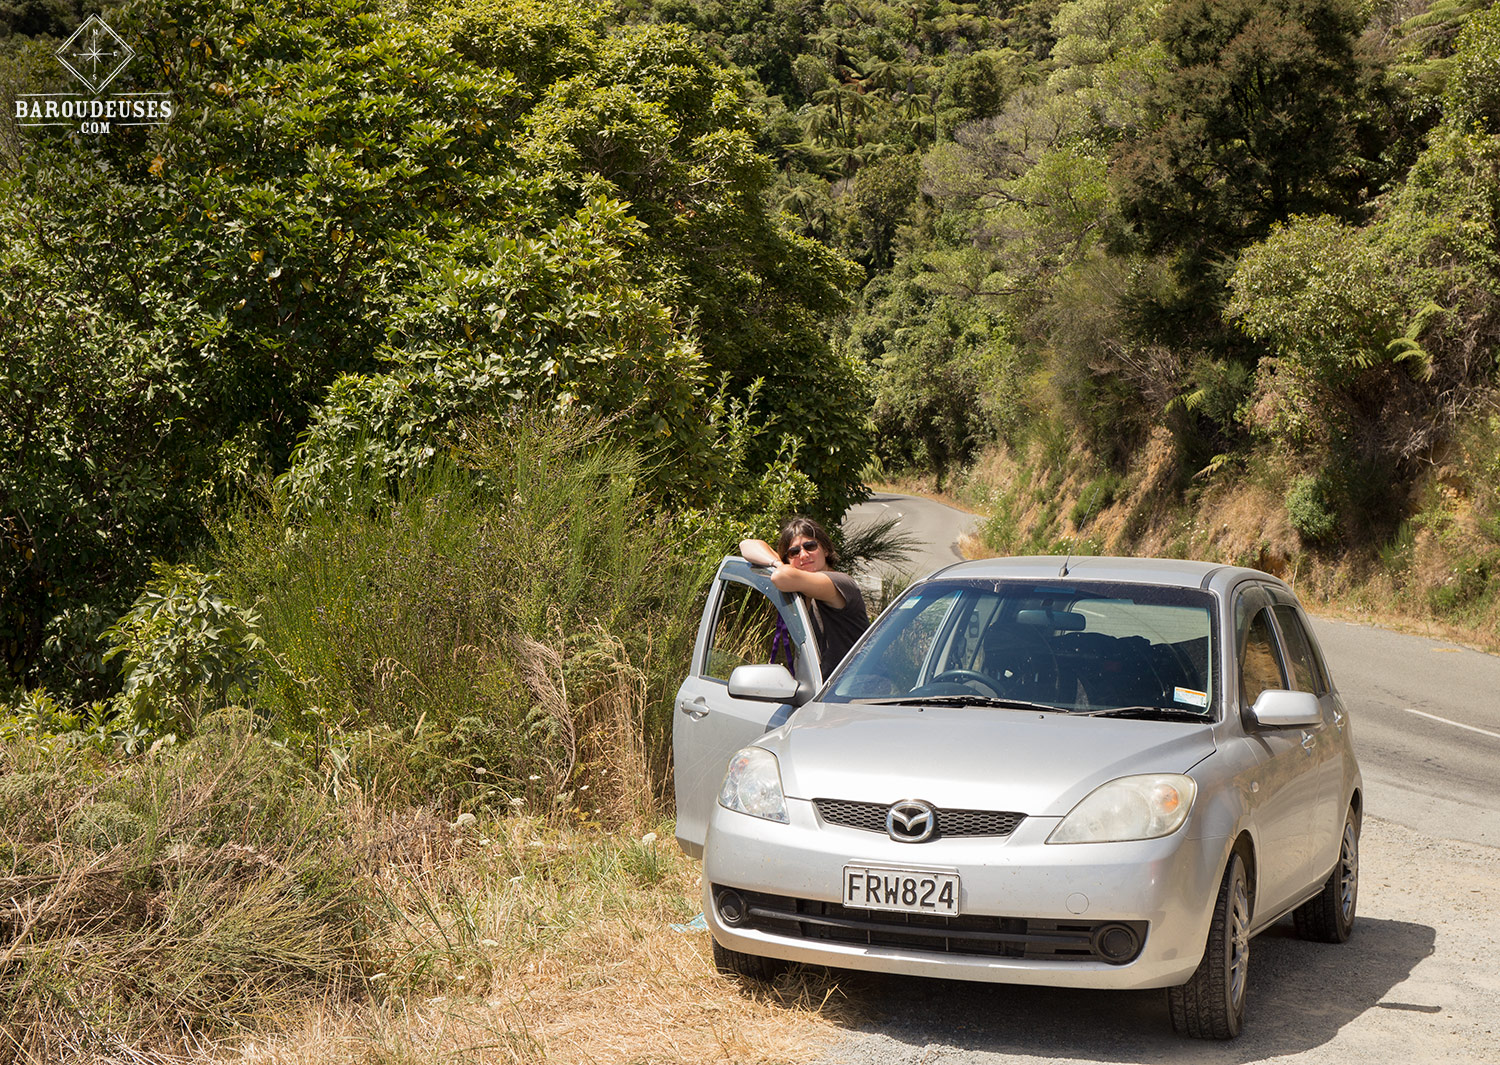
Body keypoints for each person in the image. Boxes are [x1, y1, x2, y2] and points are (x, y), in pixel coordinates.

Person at [740, 516, 869, 672]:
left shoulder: (839, 582)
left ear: (826, 550)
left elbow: (780, 577)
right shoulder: (803, 587)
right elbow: (746, 545)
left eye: (810, 546)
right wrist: (779, 563)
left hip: (853, 683)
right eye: (794, 552)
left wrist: (783, 566)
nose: (803, 555)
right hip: (822, 684)